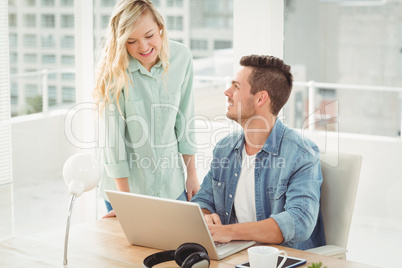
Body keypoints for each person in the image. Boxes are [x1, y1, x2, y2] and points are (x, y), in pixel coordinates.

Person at [191, 55, 326, 250]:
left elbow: (299, 221)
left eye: (236, 87)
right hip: (233, 255)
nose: (227, 92)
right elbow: (203, 200)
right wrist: (206, 216)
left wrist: (229, 232)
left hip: (280, 259)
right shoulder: (224, 149)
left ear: (261, 98)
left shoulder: (302, 154)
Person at [93, 0, 199, 218]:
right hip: (126, 188)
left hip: (172, 186)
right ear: (121, 42)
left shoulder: (182, 57)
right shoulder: (114, 71)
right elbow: (113, 142)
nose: (143, 47)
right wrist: (126, 202)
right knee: (129, 252)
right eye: (131, 41)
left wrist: (192, 173)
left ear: (160, 27)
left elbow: (185, 120)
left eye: (149, 36)